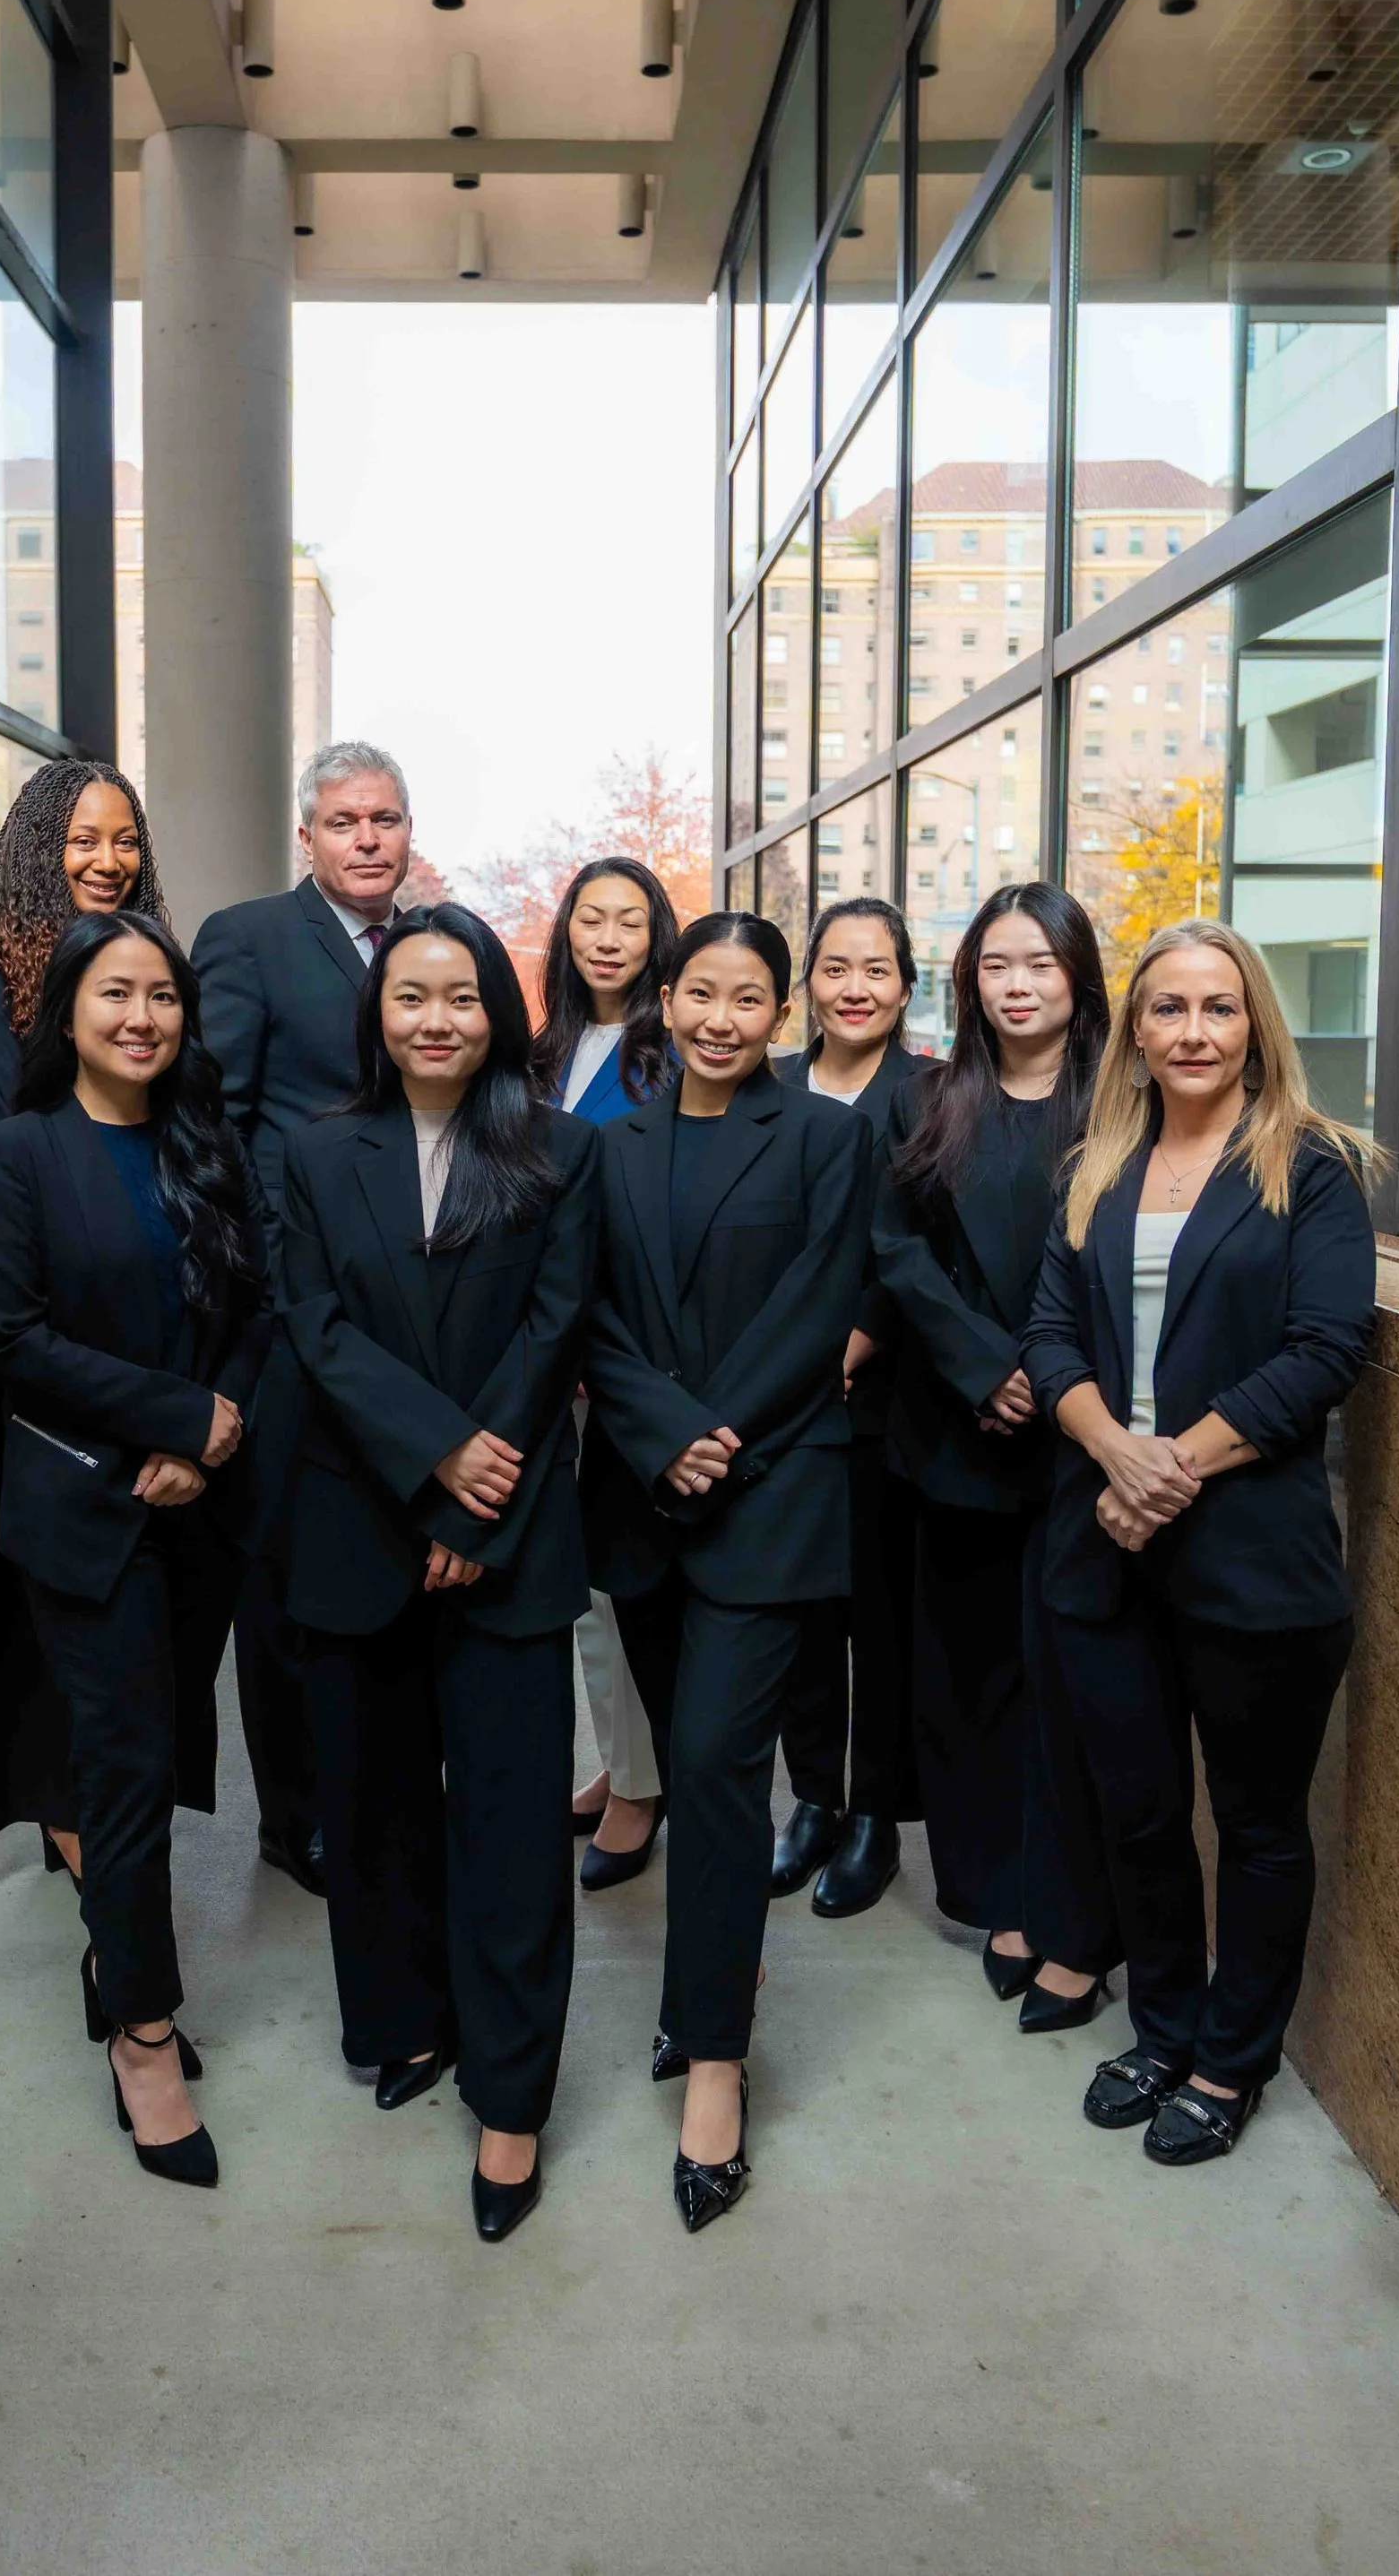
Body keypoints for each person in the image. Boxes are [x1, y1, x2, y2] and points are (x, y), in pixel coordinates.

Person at [1023, 921, 1380, 2165]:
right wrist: (1116, 1456)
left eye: (1217, 1009)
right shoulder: (1099, 1161)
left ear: (1253, 1025)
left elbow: (1324, 1351)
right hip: (1102, 1545)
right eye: (1166, 1008)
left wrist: (1168, 1467)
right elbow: (1050, 1335)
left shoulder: (1313, 1168)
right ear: (1134, 1029)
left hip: (1250, 1559)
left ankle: (1233, 2060)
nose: (1191, 1031)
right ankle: (1164, 2026)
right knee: (1138, 1813)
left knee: (1259, 1820)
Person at [279, 903, 600, 2244]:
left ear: (496, 1011)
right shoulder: (313, 1151)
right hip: (360, 1517)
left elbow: (557, 1320)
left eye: (461, 996)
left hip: (510, 1526)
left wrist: (482, 1479)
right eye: (410, 995)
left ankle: (513, 2097)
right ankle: (405, 2023)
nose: (435, 1018)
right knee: (377, 1806)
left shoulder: (559, 1149)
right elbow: (315, 1323)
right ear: (378, 1013)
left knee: (515, 1826)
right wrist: (433, 1460)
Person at [0, 911, 273, 2191]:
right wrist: (171, 1417)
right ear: (69, 1014)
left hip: (196, 1511)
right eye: (115, 994)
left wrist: (213, 1436)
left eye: (162, 996)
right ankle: (145, 2035)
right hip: (84, 1514)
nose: (142, 1016)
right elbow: (15, 1338)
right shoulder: (16, 1152)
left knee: (157, 1752)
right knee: (124, 1776)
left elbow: (260, 1307)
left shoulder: (209, 1144)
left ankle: (114, 1955)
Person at [583, 912, 870, 2231]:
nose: (717, 1017)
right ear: (668, 996)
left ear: (780, 1012)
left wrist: (715, 1432)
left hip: (768, 1498)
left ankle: (714, 2064)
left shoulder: (824, 1134)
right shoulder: (609, 1144)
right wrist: (659, 1436)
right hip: (647, 1505)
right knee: (692, 1766)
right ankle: (705, 1986)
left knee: (710, 1766)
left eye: (747, 998)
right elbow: (587, 1314)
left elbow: (822, 1308)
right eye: (699, 991)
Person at [872, 882, 1117, 2031]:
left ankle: (1069, 1895)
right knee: (967, 1673)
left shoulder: (1125, 1099)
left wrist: (1048, 1373)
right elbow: (894, 1249)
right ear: (968, 980)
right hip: (960, 1427)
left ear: (1077, 978)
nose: (1016, 985)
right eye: (995, 965)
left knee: (1070, 1678)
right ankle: (994, 1893)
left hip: (1084, 1435)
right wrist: (985, 1365)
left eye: (1039, 964)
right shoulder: (927, 1097)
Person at [192, 740, 419, 1897]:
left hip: (411, 1315)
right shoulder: (249, 939)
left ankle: (382, 1784)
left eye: (384, 819)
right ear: (309, 836)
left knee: (382, 1551)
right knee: (278, 1577)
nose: (367, 838)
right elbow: (215, 1124)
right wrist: (274, 1272)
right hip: (288, 1309)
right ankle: (297, 1816)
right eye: (345, 821)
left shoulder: (430, 946)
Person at [0, 758, 164, 1882]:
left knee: (134, 1578)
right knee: (41, 1578)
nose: (107, 859)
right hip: (38, 1295)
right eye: (83, 838)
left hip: (146, 1295)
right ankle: (63, 1807)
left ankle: (118, 1794)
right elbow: (15, 1114)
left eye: (123, 838)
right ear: (42, 843)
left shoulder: (151, 957)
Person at [770, 897, 937, 1918]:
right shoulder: (770, 1080)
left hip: (885, 1394)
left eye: (877, 970)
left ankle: (876, 1812)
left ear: (906, 986)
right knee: (795, 1612)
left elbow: (923, 1237)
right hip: (780, 1396)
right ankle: (812, 1798)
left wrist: (861, 1333)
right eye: (835, 968)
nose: (855, 987)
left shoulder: (933, 1092)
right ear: (808, 986)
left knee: (877, 1616)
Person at [531, 855, 680, 1891]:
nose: (611, 936)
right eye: (593, 917)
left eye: (631, 919)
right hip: (543, 1345)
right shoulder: (538, 1048)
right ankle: (615, 1762)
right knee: (580, 1583)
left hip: (620, 1348)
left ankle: (642, 1787)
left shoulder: (666, 1051)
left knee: (625, 1579)